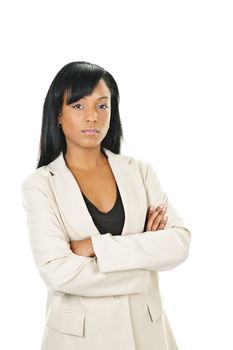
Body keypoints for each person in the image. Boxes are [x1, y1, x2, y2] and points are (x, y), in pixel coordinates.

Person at [21, 61, 191, 350]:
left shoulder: (140, 171)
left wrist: (96, 246)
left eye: (102, 106)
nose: (92, 117)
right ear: (58, 115)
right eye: (78, 106)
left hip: (146, 335)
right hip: (80, 340)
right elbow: (58, 272)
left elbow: (178, 244)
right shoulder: (40, 185)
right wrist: (144, 262)